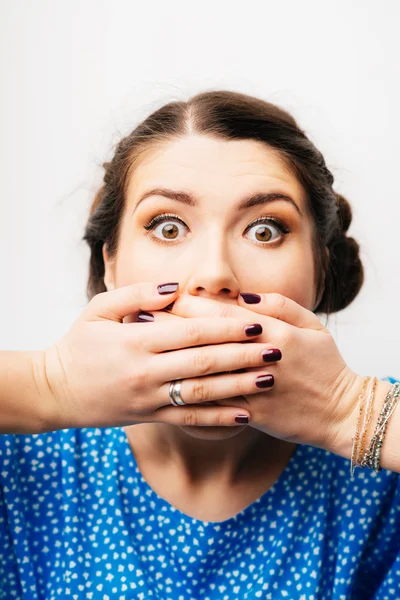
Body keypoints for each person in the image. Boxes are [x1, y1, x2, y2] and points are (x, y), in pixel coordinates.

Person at [0, 90, 399, 599]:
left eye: (265, 229)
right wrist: (45, 385)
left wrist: (354, 412)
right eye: (168, 227)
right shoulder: (23, 453)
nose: (214, 274)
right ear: (111, 266)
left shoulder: (380, 442)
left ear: (320, 271)